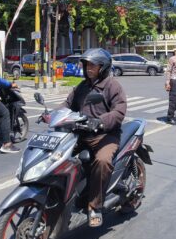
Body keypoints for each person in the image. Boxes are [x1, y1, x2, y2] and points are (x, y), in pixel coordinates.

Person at [48, 48, 126, 228]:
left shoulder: (112, 86)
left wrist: (99, 122)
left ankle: (95, 206)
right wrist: (52, 114)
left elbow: (119, 112)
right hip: (80, 134)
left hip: (105, 135)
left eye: (93, 65)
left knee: (102, 161)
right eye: (86, 65)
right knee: (56, 156)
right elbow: (68, 104)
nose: (88, 68)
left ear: (103, 67)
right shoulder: (82, 86)